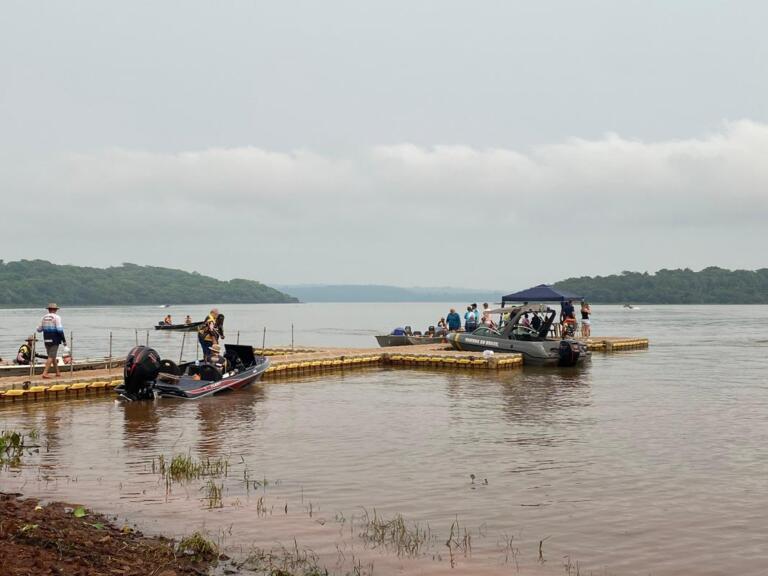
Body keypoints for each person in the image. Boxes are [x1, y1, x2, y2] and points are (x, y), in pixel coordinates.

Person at [37, 303, 66, 379]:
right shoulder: (57, 317)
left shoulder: (43, 317)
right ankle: (45, 373)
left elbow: (39, 329)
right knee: (51, 356)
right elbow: (60, 330)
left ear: (49, 310)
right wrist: (64, 340)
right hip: (54, 339)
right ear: (55, 310)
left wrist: (46, 327)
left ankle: (57, 372)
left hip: (46, 339)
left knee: (53, 356)